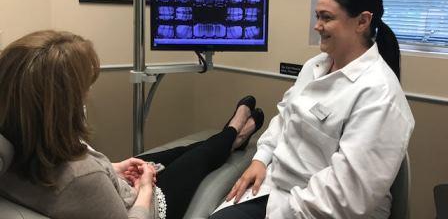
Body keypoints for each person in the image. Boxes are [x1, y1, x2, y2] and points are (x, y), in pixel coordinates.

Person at [0, 30, 264, 219]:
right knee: (201, 157)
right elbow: (86, 185)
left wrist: (113, 168)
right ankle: (235, 132)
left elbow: (74, 182)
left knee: (182, 151)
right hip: (147, 204)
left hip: (112, 183)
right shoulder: (82, 177)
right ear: (62, 105)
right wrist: (147, 187)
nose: (87, 96)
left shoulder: (16, 140)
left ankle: (230, 136)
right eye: (84, 90)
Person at [210, 0, 415, 219]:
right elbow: (285, 116)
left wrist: (278, 212)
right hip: (276, 189)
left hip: (320, 209)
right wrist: (261, 159)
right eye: (317, 16)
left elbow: (346, 198)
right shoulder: (315, 66)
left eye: (327, 17)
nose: (317, 25)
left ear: (362, 21)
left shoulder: (380, 95)